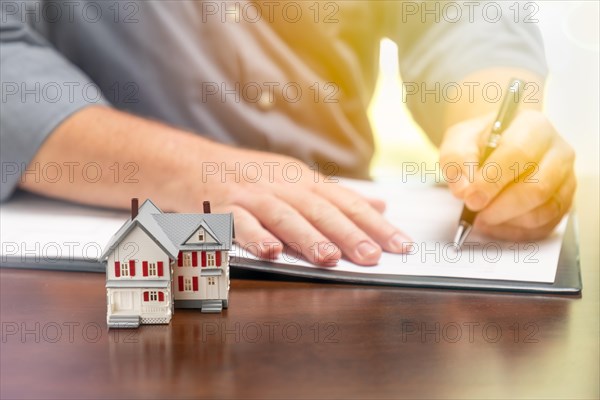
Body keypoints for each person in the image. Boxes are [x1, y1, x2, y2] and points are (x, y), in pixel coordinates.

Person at [0, 1, 575, 266]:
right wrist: (182, 166)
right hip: (91, 266)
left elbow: (457, 13)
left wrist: (491, 121)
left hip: (354, 281)